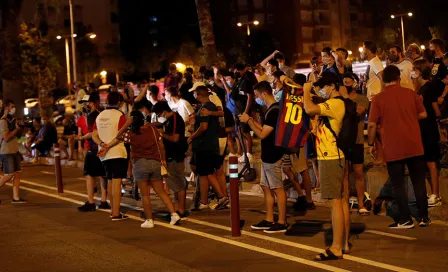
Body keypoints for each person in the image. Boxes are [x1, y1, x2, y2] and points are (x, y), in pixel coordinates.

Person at [368, 65, 430, 228]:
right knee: (418, 181)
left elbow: (372, 125)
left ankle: (405, 219)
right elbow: (423, 114)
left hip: (393, 147)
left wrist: (370, 143)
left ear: (383, 80)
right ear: (398, 78)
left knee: (398, 184)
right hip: (414, 144)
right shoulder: (411, 94)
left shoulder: (378, 99)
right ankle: (424, 217)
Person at [100, 110, 181, 228]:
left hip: (140, 164)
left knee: (145, 195)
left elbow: (118, 136)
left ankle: (149, 220)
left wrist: (126, 124)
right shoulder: (153, 130)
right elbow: (162, 147)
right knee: (161, 192)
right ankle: (174, 214)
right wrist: (163, 161)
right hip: (155, 163)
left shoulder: (131, 133)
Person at [303, 72, 349, 260]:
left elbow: (308, 109)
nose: (321, 89)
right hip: (333, 155)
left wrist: (306, 91)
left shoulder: (336, 103)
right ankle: (343, 243)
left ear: (331, 86)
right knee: (341, 200)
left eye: (323, 86)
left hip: (331, 156)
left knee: (335, 202)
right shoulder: (331, 105)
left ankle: (336, 247)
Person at [240, 81, 287, 233]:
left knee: (278, 189)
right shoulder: (270, 110)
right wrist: (252, 121)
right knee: (266, 187)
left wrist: (248, 121)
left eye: (257, 95)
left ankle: (282, 221)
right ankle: (269, 219)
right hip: (268, 155)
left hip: (273, 155)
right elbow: (262, 130)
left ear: (264, 94)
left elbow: (262, 134)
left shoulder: (274, 111)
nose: (256, 99)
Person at [188, 85, 229, 209]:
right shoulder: (209, 107)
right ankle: (204, 201)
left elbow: (203, 127)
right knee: (204, 174)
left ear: (199, 95)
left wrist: (192, 137)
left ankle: (221, 196)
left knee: (207, 173)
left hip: (204, 145)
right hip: (209, 144)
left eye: (195, 94)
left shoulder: (206, 108)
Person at [92, 92, 129, 221]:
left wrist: (102, 144)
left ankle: (113, 210)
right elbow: (121, 135)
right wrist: (108, 146)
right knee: (117, 182)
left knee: (110, 180)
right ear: (119, 102)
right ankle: (116, 213)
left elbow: (94, 135)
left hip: (103, 154)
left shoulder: (99, 116)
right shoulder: (120, 115)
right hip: (117, 151)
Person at [414, 59, 443, 207]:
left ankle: (436, 195)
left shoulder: (429, 88)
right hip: (421, 128)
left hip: (429, 126)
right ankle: (427, 193)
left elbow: (435, 108)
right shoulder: (419, 88)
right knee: (424, 161)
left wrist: (439, 121)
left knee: (431, 162)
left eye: (415, 69)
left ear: (420, 71)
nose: (413, 72)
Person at [152, 102, 189, 217]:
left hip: (175, 155)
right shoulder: (170, 119)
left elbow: (175, 138)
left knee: (178, 184)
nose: (159, 116)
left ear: (164, 111)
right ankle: (177, 209)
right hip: (172, 155)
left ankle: (181, 210)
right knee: (175, 185)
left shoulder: (174, 119)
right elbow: (159, 123)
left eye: (159, 113)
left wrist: (161, 134)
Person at [341, 73, 370, 215]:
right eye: (344, 81)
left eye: (349, 81)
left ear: (355, 83)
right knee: (345, 174)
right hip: (343, 141)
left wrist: (345, 100)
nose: (345, 83)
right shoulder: (338, 100)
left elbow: (358, 112)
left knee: (358, 173)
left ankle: (361, 203)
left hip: (357, 141)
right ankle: (345, 202)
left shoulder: (362, 99)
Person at [76, 93, 109, 212]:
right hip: (103, 147)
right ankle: (104, 200)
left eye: (87, 103)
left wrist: (81, 138)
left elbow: (93, 133)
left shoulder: (92, 116)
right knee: (103, 174)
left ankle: (91, 201)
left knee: (89, 175)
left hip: (94, 147)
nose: (85, 106)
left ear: (94, 103)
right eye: (84, 104)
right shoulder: (101, 114)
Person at [0, 100, 26, 204]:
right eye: (12, 106)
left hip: (14, 150)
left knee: (17, 174)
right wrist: (16, 129)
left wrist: (21, 129)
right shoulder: (3, 121)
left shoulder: (13, 120)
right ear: (6, 108)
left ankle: (16, 198)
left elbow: (18, 137)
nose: (14, 108)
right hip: (6, 151)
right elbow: (6, 138)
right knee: (9, 175)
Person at [230, 63, 254, 162]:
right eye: (235, 70)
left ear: (243, 70)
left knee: (246, 131)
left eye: (238, 70)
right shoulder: (237, 82)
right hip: (237, 110)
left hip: (244, 110)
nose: (236, 72)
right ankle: (244, 153)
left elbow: (250, 97)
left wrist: (246, 112)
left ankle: (249, 153)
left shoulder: (246, 82)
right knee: (240, 131)